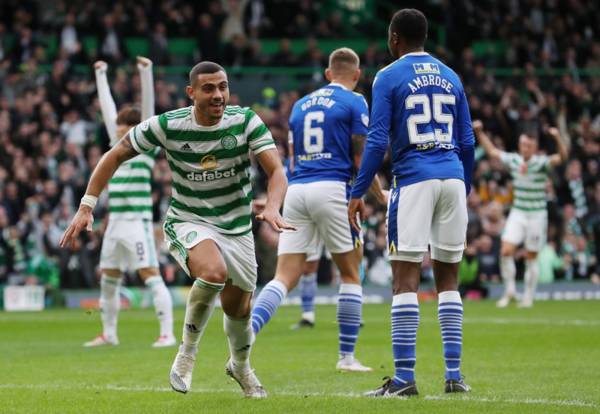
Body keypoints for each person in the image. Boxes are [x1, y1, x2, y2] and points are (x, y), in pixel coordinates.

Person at [60, 61, 292, 398]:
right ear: (191, 93)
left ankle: (240, 366)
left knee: (239, 310)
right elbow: (114, 155)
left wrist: (272, 206)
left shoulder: (245, 121)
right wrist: (86, 205)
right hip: (188, 219)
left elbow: (277, 172)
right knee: (212, 272)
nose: (218, 95)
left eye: (223, 87)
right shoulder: (168, 125)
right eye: (209, 88)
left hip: (237, 228)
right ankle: (186, 354)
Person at [348, 9, 475, 396]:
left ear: (394, 38)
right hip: (452, 176)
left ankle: (404, 379)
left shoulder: (388, 76)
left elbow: (377, 138)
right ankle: (454, 376)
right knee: (448, 278)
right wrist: (462, 184)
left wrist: (358, 190)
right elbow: (468, 140)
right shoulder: (451, 75)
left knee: (405, 279)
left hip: (414, 179)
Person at [251, 48, 385, 372]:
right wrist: (378, 196)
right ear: (356, 76)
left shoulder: (299, 105)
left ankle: (245, 339)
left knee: (283, 277)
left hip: (297, 190)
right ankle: (347, 358)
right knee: (351, 274)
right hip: (332, 188)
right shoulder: (355, 101)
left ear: (327, 74)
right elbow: (360, 157)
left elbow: (292, 158)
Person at [84, 57, 175, 348]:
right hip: (115, 225)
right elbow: (108, 109)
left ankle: (167, 334)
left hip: (137, 223)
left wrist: (146, 72)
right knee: (108, 280)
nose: (119, 128)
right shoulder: (115, 151)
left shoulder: (144, 150)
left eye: (125, 124)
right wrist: (101, 76)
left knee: (150, 275)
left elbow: (148, 114)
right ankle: (109, 334)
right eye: (119, 124)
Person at [473, 121, 567, 307]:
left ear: (535, 147)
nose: (526, 148)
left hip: (536, 215)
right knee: (505, 251)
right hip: (518, 212)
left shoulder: (541, 163)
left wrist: (557, 138)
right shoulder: (514, 160)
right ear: (519, 144)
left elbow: (562, 158)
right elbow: (492, 151)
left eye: (529, 145)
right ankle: (510, 292)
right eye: (523, 144)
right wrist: (480, 132)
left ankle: (528, 296)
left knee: (531, 256)